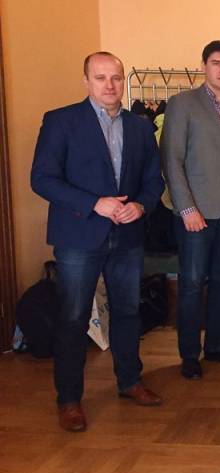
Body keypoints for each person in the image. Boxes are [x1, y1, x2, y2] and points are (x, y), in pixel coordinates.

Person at [31, 51, 165, 432]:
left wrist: (141, 205)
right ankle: (69, 400)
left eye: (116, 77)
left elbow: (154, 180)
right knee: (73, 318)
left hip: (127, 235)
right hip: (79, 235)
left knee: (128, 312)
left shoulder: (141, 127)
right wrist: (94, 203)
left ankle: (130, 381)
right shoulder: (61, 121)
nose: (110, 85)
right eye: (101, 77)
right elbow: (42, 179)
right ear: (86, 81)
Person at [161, 40, 220, 380]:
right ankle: (189, 354)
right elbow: (171, 159)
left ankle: (216, 345)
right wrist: (186, 208)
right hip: (196, 210)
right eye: (216, 63)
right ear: (204, 66)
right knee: (191, 283)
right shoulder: (182, 104)